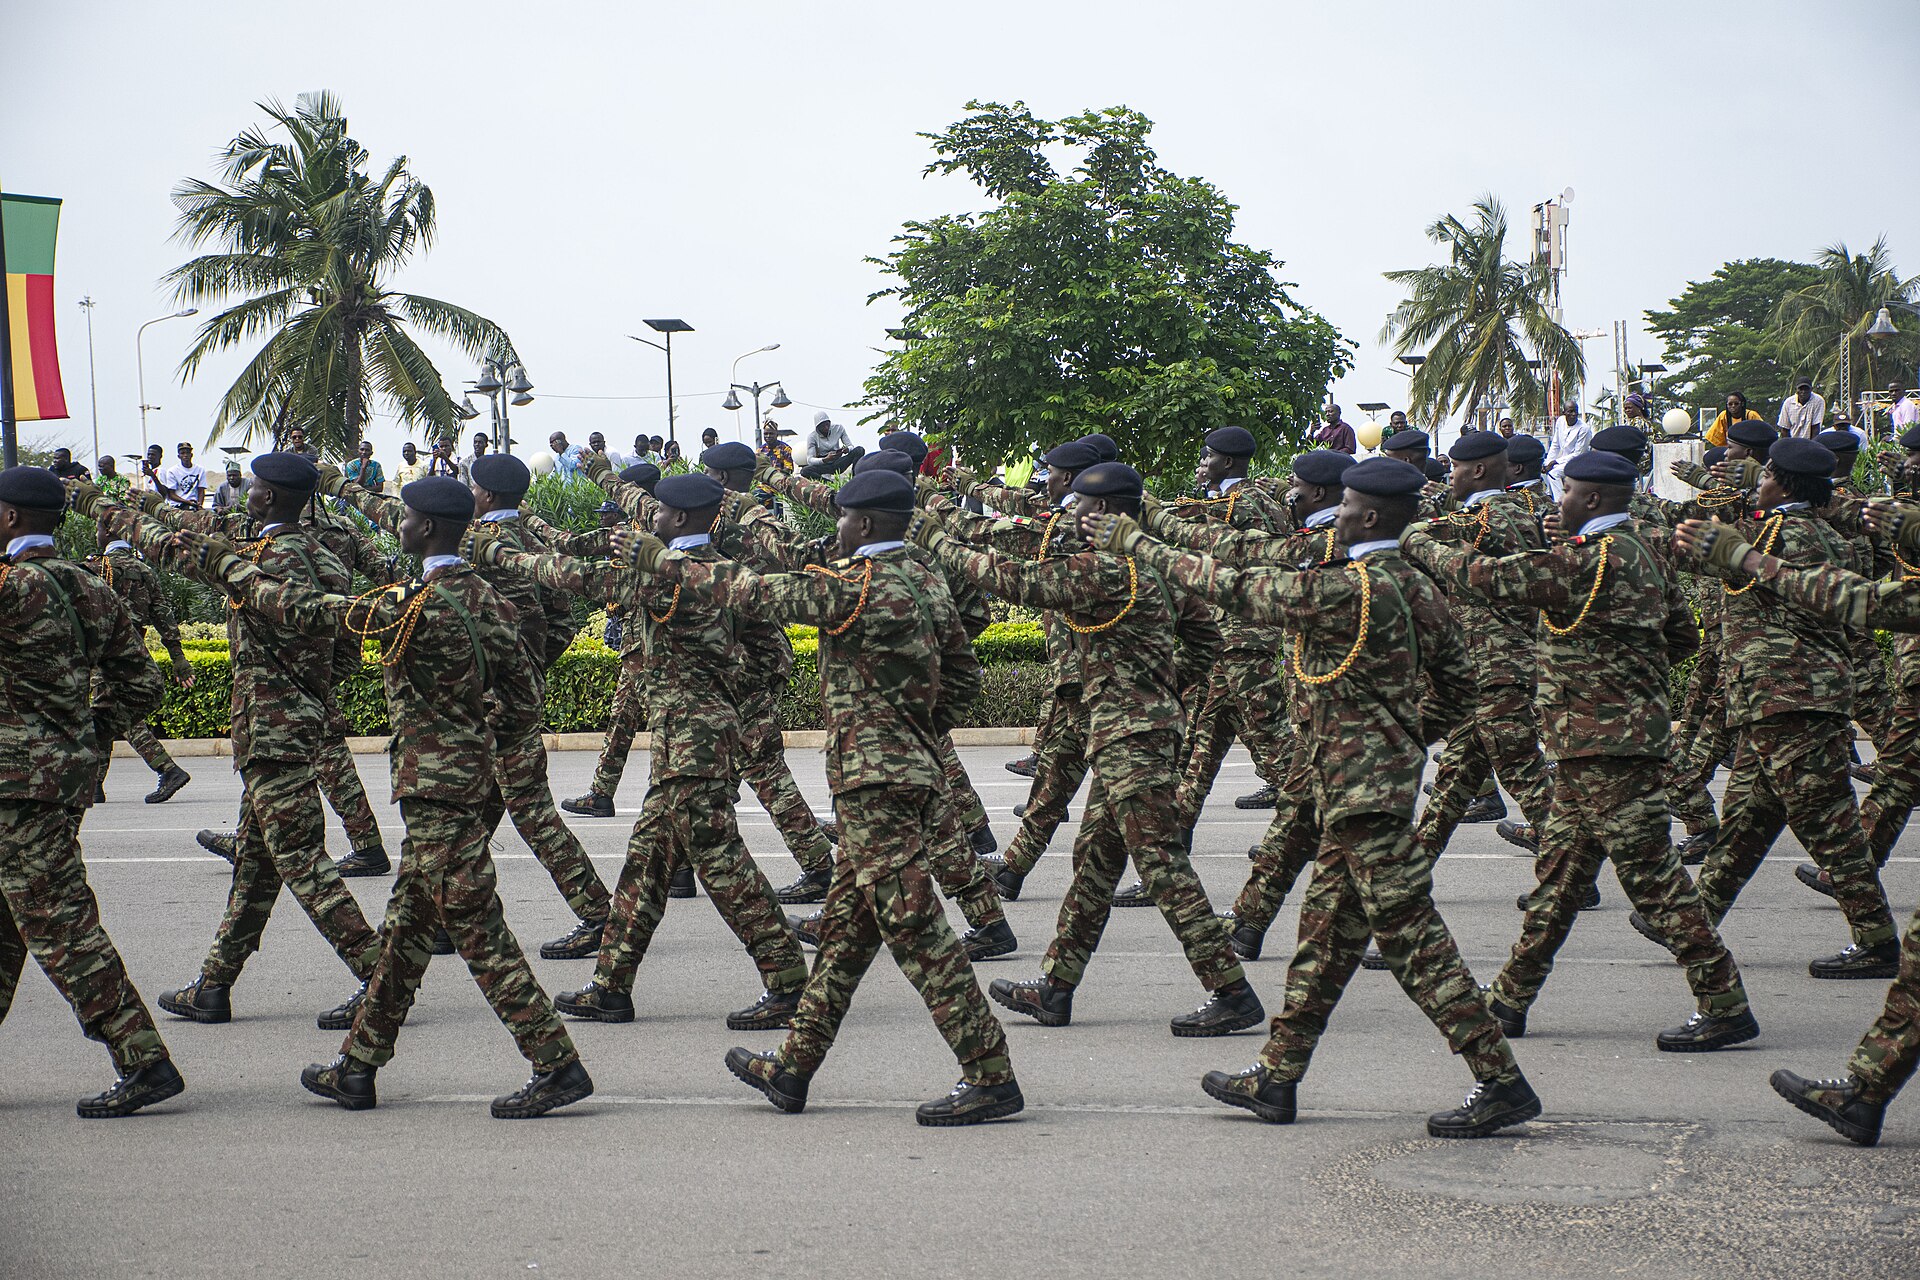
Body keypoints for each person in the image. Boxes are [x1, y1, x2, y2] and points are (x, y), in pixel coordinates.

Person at [1087, 457, 1538, 1137]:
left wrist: (1135, 542)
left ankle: (1501, 1081)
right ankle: (1278, 1076)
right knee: (1323, 941)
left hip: (1361, 797)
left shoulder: (1350, 589)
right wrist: (1406, 734)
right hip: (1357, 789)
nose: (1338, 514)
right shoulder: (1418, 585)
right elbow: (1458, 685)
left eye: (1349, 505)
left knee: (1417, 945)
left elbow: (1238, 589)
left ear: (1374, 517)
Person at [149, 475, 593, 1118]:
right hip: (461, 784)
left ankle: (557, 1063)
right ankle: (357, 1068)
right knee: (408, 931)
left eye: (407, 519)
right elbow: (524, 696)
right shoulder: (489, 601)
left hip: (436, 794)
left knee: (478, 930)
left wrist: (224, 565)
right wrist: (474, 736)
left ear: (429, 530)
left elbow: (305, 610)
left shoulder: (410, 606)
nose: (400, 527)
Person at [613, 469, 1023, 1125]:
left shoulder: (859, 587)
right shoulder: (925, 579)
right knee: (843, 938)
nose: (836, 530)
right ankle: (793, 1068)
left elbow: (751, 591)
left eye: (842, 521)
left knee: (919, 934)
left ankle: (990, 1073)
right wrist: (913, 729)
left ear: (862, 524)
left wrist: (661, 561)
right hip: (902, 769)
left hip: (874, 781)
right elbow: (965, 679)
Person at [1404, 450, 1758, 1050]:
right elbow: (1682, 636)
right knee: (1560, 878)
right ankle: (1510, 998)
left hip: (1603, 743)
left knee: (1655, 881)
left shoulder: (1588, 562)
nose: (1556, 501)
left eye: (1565, 491)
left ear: (1592, 499)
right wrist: (1628, 672)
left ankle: (1724, 1001)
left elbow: (1490, 577)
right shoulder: (1645, 551)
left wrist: (1419, 542)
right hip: (1598, 740)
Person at [918, 461, 1264, 1038]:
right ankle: (1056, 988)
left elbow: (1016, 580)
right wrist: (1164, 688)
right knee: (1096, 863)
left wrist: (936, 539)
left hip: (1129, 739)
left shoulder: (1104, 569)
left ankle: (1231, 990)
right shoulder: (1154, 562)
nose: (1067, 513)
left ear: (1102, 513)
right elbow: (1204, 637)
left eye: (1076, 504)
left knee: (1160, 865)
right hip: (1131, 733)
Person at [474, 473, 811, 1030]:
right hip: (697, 734)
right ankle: (611, 986)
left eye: (658, 512)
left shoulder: (662, 577)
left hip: (690, 742)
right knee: (646, 863)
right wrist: (730, 690)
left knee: (722, 863)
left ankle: (787, 978)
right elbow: (770, 654)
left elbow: (572, 576)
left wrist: (497, 552)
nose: (650, 518)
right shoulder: (726, 574)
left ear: (678, 519)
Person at [71, 455, 384, 1025]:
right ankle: (214, 985)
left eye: (255, 488)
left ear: (265, 499)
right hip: (299, 721)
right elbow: (344, 655)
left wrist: (97, 502)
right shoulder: (327, 560)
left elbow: (171, 544)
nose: (247, 495)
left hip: (270, 731)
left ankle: (380, 976)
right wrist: (307, 688)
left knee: (300, 862)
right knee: (257, 866)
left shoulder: (259, 560)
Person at [333, 453, 611, 957]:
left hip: (485, 709)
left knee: (528, 817)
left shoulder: (482, 546)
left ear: (483, 495)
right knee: (472, 821)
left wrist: (491, 681)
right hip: (513, 695)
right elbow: (561, 620)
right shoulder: (533, 543)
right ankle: (438, 917)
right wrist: (527, 668)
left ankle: (598, 914)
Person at [1654, 438, 1901, 978]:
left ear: (1783, 483)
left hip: (1792, 697)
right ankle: (1694, 920)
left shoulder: (1788, 535)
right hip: (1774, 698)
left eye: (1766, 473)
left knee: (1830, 828)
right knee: (1746, 817)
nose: (1759, 480)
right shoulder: (1804, 530)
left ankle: (1879, 941)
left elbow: (1733, 567)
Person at [0, 465, 184, 1118]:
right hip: (60, 779)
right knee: (12, 922)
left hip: (16, 789)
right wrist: (88, 734)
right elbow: (142, 685)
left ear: (12, 518)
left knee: (60, 925)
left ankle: (144, 1060)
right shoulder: (89, 586)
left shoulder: (10, 587)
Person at [599, 442, 837, 899]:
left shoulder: (724, 534)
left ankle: (817, 864)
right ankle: (683, 870)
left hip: (736, 670)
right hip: (736, 666)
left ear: (721, 480)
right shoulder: (753, 520)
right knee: (701, 785)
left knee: (761, 775)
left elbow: (647, 511)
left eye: (707, 470)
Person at [89, 519, 194, 805]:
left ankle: (167, 768)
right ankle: (94, 784)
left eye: (98, 529)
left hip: (108, 653)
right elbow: (163, 616)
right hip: (135, 651)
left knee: (116, 714)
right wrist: (178, 658)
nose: (95, 534)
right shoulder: (144, 571)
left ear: (109, 533)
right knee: (105, 713)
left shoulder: (97, 568)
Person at [799, 411, 861, 478]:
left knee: (859, 450)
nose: (826, 428)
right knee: (804, 471)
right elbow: (810, 460)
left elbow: (851, 446)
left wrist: (847, 449)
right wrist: (825, 459)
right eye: (823, 426)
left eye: (827, 425)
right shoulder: (812, 437)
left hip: (838, 461)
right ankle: (827, 484)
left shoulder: (838, 428)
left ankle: (855, 477)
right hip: (824, 464)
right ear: (818, 427)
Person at [1543, 404, 1591, 485]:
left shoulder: (1584, 428)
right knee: (1545, 471)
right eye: (1570, 411)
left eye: (1575, 411)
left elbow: (1578, 454)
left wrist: (1555, 462)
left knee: (1554, 474)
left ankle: (1559, 498)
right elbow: (1555, 445)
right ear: (1564, 413)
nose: (1574, 414)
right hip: (1563, 462)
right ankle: (1549, 495)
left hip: (1578, 462)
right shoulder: (1560, 421)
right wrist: (1548, 462)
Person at [159, 442, 208, 509]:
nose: (185, 455)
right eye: (182, 453)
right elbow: (171, 494)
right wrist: (187, 502)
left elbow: (201, 490)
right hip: (177, 505)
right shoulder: (172, 471)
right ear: (179, 456)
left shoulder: (200, 470)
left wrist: (199, 505)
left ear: (191, 455)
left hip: (194, 505)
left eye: (187, 452)